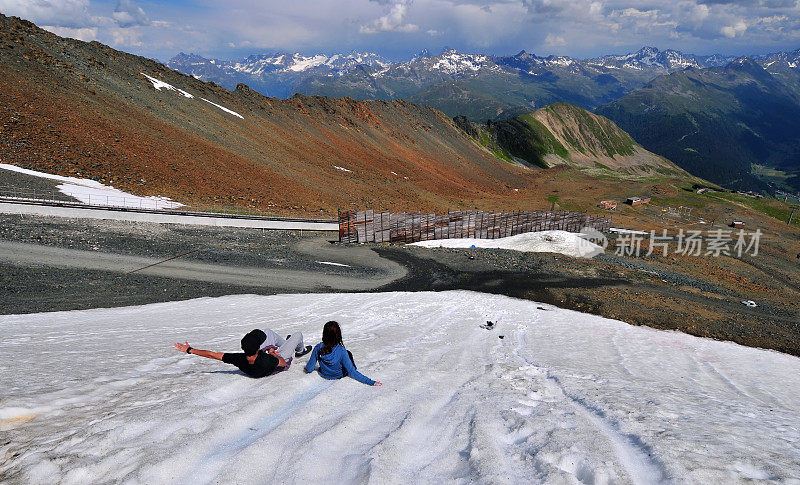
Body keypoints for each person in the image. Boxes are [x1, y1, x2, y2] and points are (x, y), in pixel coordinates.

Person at [174, 328, 311, 378]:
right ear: (259, 348)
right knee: (297, 334)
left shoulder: (239, 358)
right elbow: (282, 363)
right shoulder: (266, 359)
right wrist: (272, 353)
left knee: (268, 332)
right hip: (277, 361)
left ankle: (285, 343)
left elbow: (212, 354)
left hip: (259, 361)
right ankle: (300, 350)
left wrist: (189, 350)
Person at [305, 321, 382, 386]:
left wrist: (307, 368)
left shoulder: (318, 348)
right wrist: (371, 382)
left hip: (324, 374)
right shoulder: (342, 351)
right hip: (338, 375)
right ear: (338, 335)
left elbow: (309, 368)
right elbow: (352, 372)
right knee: (348, 353)